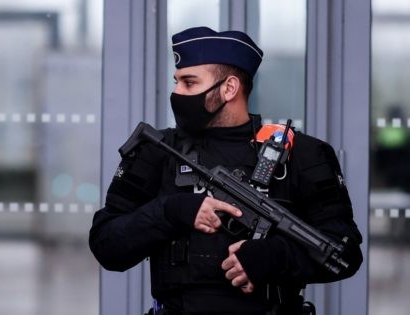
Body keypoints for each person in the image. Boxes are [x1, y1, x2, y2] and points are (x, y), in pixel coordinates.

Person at [89, 26, 363, 315]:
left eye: (189, 83)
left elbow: (345, 253)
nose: (176, 92)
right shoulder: (156, 151)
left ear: (229, 88)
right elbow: (106, 245)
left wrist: (276, 256)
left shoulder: (302, 154)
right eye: (177, 82)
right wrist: (170, 211)